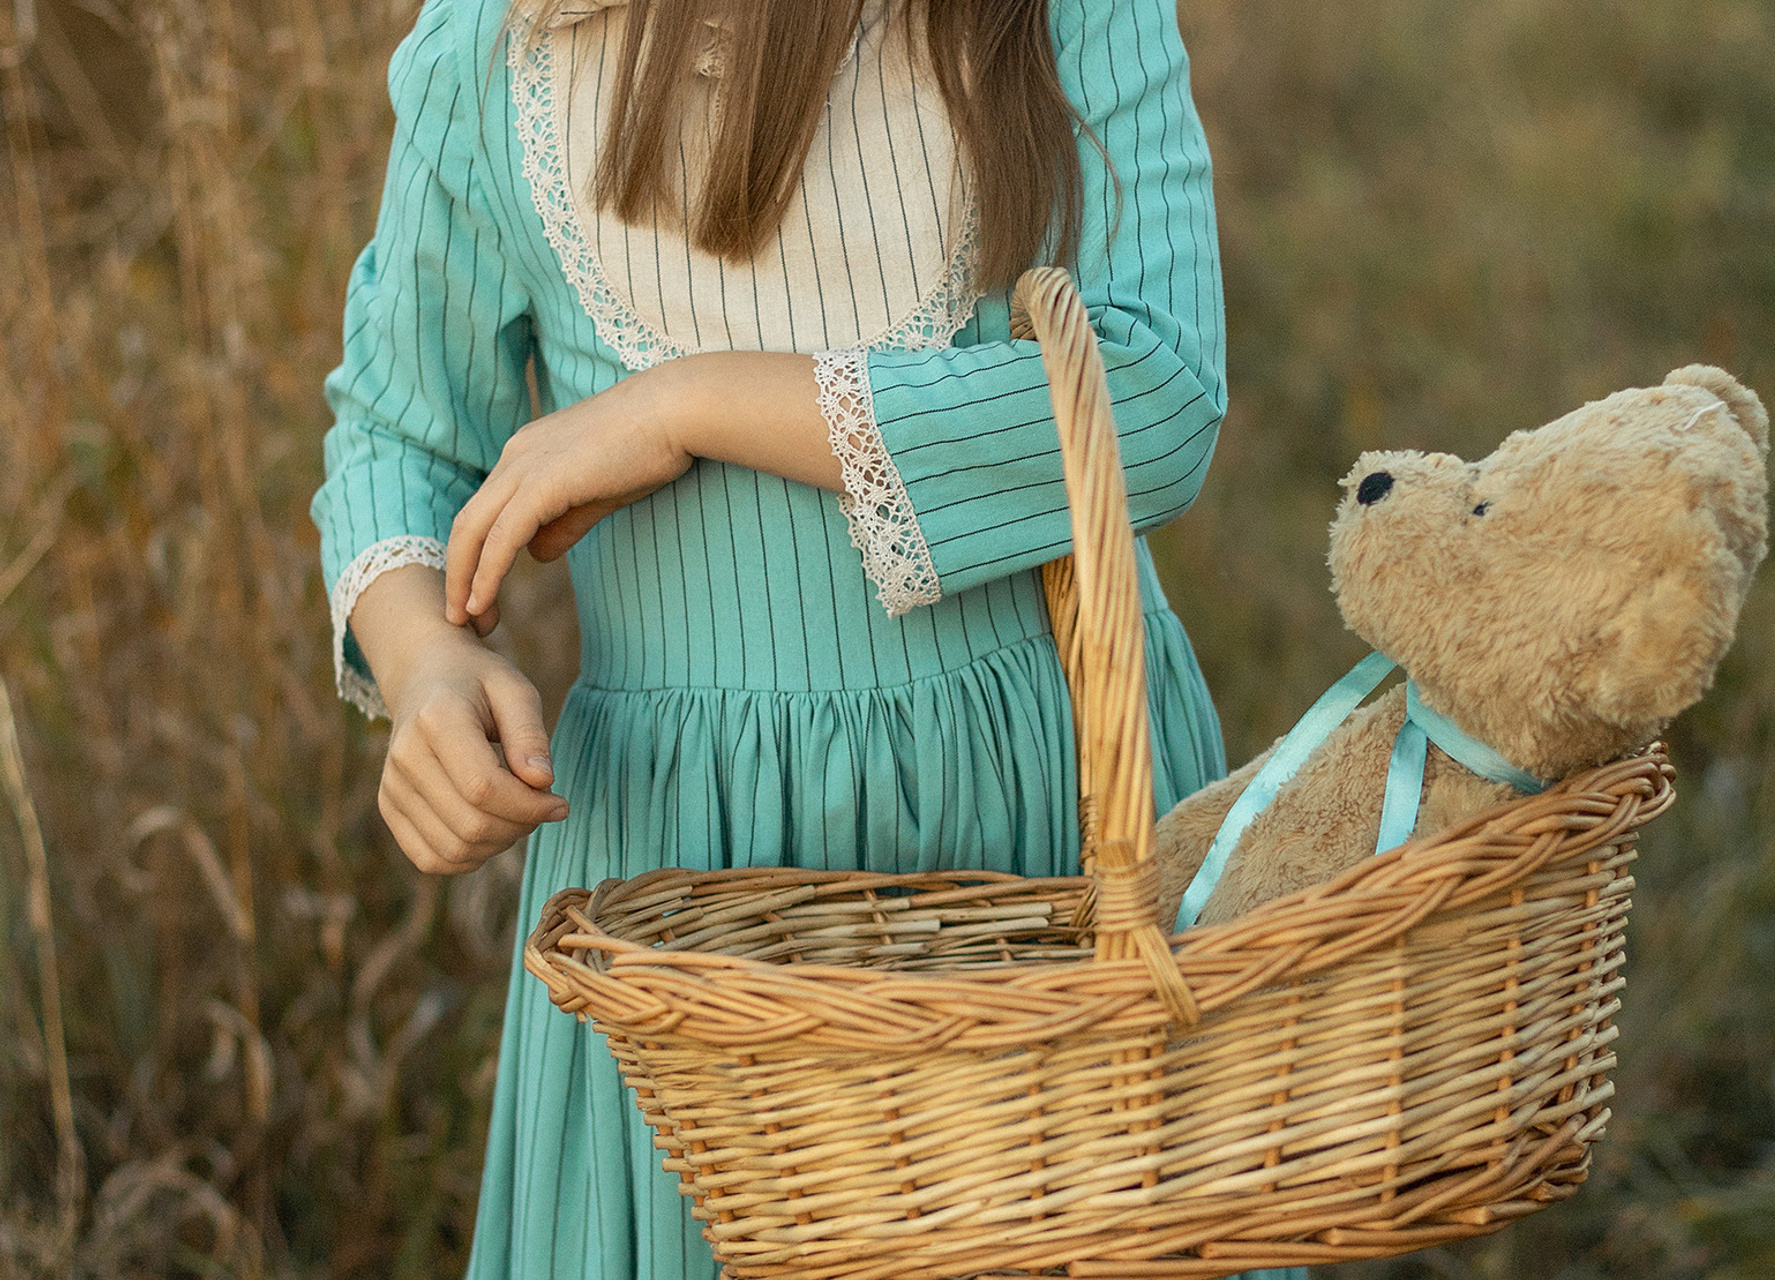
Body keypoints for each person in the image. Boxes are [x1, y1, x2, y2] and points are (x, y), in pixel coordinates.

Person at [311, 0, 1301, 1276]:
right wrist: (423, 658)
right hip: (682, 877)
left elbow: (1155, 400)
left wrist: (691, 403)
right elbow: (399, 434)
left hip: (1052, 810)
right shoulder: (502, 46)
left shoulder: (1059, 17)